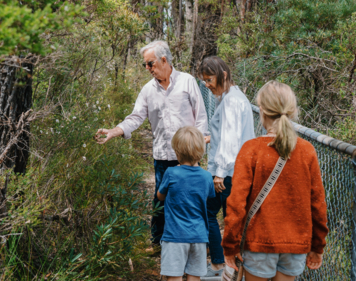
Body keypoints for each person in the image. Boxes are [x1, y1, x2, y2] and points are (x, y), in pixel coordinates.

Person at [94, 40, 209, 250]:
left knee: (192, 199)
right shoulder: (148, 90)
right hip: (163, 156)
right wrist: (114, 131)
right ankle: (158, 243)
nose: (147, 69)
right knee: (161, 199)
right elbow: (135, 117)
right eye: (145, 65)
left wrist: (198, 145)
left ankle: (198, 243)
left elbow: (200, 117)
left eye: (150, 64)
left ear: (163, 60)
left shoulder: (187, 82)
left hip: (189, 156)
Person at [222, 81, 328, 281]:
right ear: (292, 111)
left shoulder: (251, 149)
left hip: (258, 242)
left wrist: (230, 245)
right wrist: (318, 245)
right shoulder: (307, 151)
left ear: (261, 110)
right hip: (296, 244)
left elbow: (236, 204)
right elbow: (318, 204)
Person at [199, 56, 255, 278]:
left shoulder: (231, 101)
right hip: (232, 171)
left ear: (222, 75)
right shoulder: (231, 97)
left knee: (216, 215)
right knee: (222, 216)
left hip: (228, 173)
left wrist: (219, 174)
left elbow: (231, 141)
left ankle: (222, 265)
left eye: (209, 79)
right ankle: (224, 265)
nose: (207, 85)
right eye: (204, 81)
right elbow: (229, 133)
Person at [157, 126, 215, 281]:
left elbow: (160, 196)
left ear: (177, 151)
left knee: (174, 277)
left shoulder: (171, 173)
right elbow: (209, 196)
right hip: (199, 236)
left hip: (175, 236)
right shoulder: (207, 177)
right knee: (194, 277)